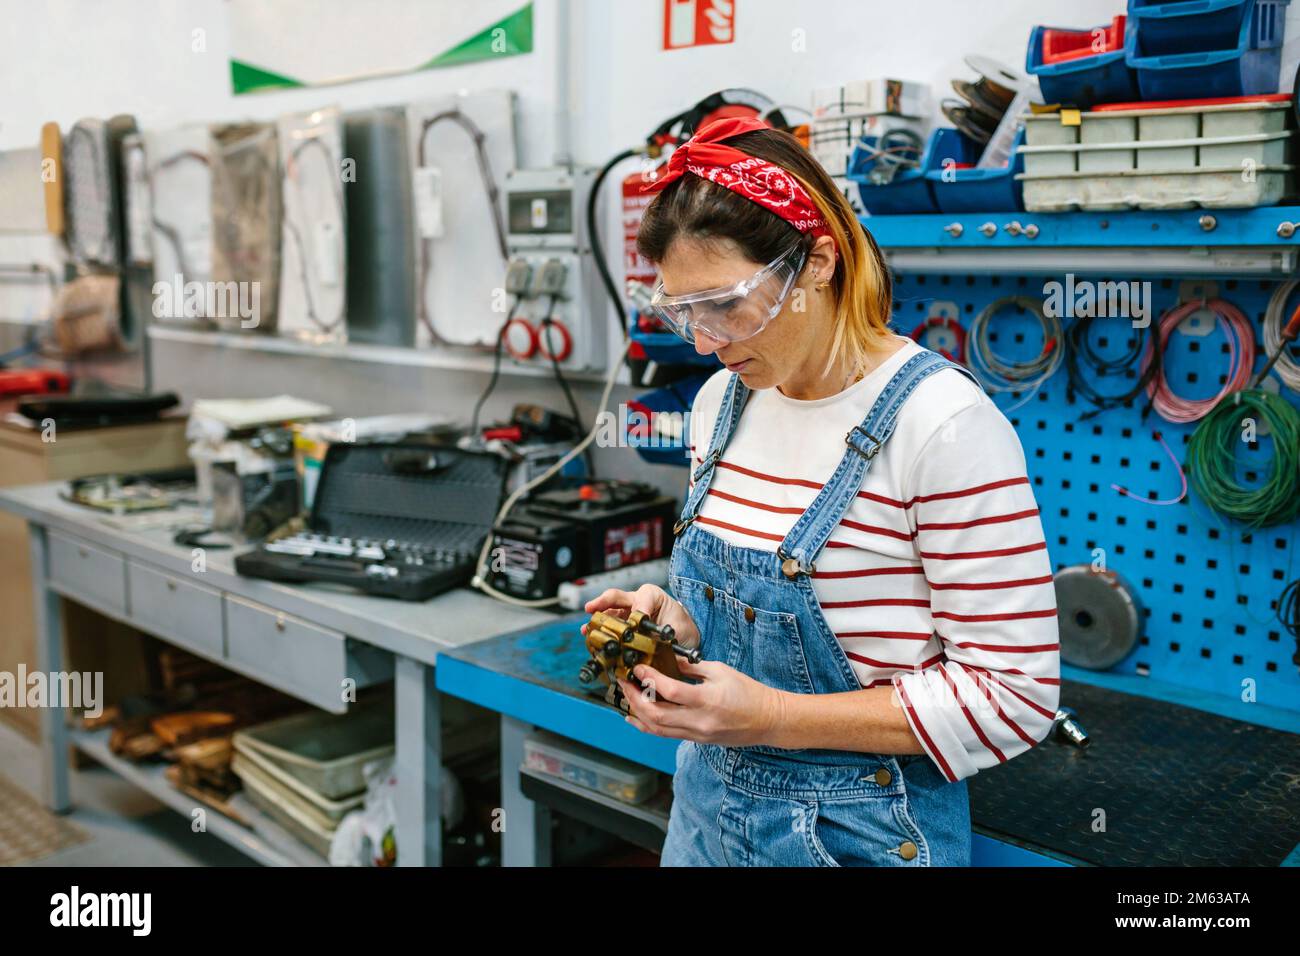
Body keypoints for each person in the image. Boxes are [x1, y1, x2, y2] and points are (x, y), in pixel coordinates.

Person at [583, 117, 1059, 867]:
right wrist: (672, 625)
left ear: (817, 263)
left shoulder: (943, 426)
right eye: (683, 313)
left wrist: (769, 717)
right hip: (704, 819)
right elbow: (756, 631)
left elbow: (1014, 700)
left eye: (725, 304)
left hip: (854, 837)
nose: (704, 341)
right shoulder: (721, 402)